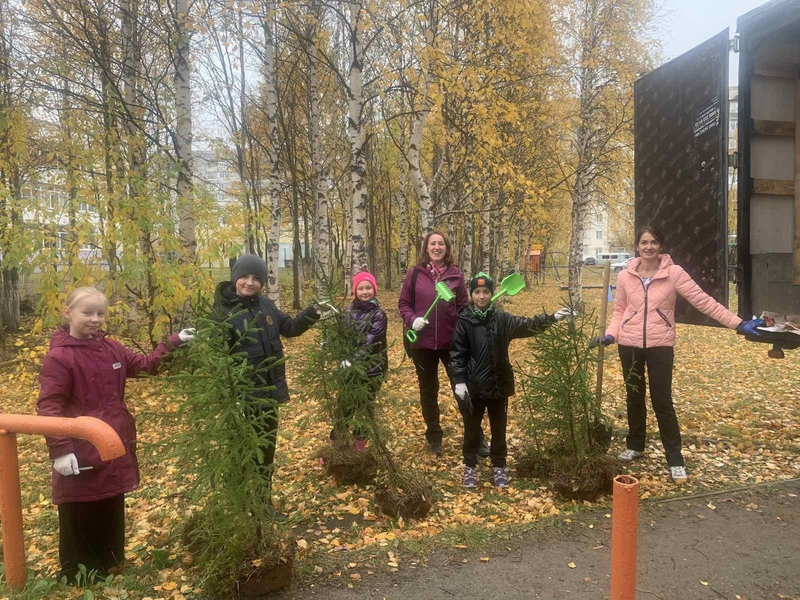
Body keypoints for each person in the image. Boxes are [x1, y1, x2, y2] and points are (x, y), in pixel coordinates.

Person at [37, 287, 194, 581]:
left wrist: (175, 342)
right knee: (81, 505)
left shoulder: (112, 349)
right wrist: (60, 449)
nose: (95, 319)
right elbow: (49, 405)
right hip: (80, 449)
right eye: (87, 313)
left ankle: (110, 561)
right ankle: (77, 573)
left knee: (110, 499)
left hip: (113, 443)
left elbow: (145, 365)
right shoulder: (59, 358)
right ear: (68, 313)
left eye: (100, 313)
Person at [600, 225, 763, 482]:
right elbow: (619, 310)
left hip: (661, 345)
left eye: (654, 242)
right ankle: (635, 445)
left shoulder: (674, 273)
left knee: (662, 401)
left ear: (661, 246)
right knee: (633, 395)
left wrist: (737, 323)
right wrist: (612, 334)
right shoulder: (625, 276)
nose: (649, 246)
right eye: (644, 242)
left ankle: (675, 459)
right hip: (628, 344)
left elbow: (703, 300)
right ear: (637, 246)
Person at [450, 273, 573, 489]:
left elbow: (527, 325)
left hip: (499, 384)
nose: (482, 296)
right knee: (471, 428)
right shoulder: (464, 321)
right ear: (471, 295)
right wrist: (459, 380)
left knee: (499, 428)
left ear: (492, 294)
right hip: (474, 387)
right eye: (477, 292)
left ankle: (499, 466)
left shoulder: (502, 319)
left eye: (486, 292)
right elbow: (457, 353)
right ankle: (470, 467)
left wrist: (552, 317)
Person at [214, 254, 320, 488]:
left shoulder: (266, 305)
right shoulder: (222, 314)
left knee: (266, 452)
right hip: (243, 401)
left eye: (256, 278)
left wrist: (312, 313)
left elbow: (290, 328)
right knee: (244, 453)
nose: (249, 282)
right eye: (244, 276)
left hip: (268, 398)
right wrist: (231, 400)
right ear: (235, 278)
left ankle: (264, 504)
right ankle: (242, 507)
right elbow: (217, 363)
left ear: (262, 282)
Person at [398, 230, 488, 458]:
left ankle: (476, 438)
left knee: (463, 389)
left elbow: (462, 308)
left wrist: (467, 326)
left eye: (441, 244)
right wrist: (412, 319)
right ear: (426, 248)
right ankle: (434, 437)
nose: (437, 247)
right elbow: (404, 304)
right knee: (428, 392)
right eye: (432, 244)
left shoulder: (455, 274)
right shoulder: (414, 274)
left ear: (446, 248)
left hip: (452, 344)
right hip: (422, 344)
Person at [332, 271, 388, 450]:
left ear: (374, 290)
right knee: (344, 407)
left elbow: (371, 342)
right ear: (355, 291)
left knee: (364, 410)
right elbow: (339, 338)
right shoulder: (346, 313)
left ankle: (360, 450)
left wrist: (352, 361)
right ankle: (336, 447)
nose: (365, 292)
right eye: (361, 288)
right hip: (347, 371)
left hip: (371, 371)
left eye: (368, 288)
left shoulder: (379, 315)